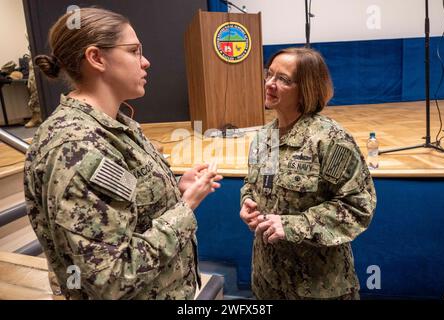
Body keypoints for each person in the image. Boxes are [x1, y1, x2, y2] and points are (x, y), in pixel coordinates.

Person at [24, 7, 222, 300]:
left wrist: (176, 193)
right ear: (96, 58)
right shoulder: (76, 147)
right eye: (133, 51)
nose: (146, 62)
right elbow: (112, 279)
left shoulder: (114, 125)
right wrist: (185, 208)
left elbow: (127, 211)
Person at [240, 47, 376, 300]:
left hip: (318, 287)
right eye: (269, 75)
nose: (270, 84)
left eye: (283, 79)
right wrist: (247, 202)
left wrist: (292, 226)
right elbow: (253, 183)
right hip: (268, 281)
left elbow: (357, 206)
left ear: (306, 89)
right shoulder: (263, 137)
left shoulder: (331, 140)